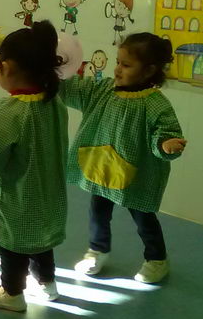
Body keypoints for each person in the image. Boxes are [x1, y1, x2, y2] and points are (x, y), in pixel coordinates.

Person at [61, 33, 186, 284]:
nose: (117, 69)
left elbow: (166, 133)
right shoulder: (103, 89)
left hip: (136, 175)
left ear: (149, 70)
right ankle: (98, 250)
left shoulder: (155, 104)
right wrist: (54, 75)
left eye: (126, 65)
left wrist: (166, 145)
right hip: (102, 169)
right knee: (97, 212)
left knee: (143, 217)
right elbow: (74, 89)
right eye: (118, 62)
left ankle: (157, 259)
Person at [0, 20, 69, 313]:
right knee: (41, 240)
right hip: (48, 194)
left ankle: (12, 292)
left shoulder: (9, 111)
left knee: (13, 245)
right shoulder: (54, 104)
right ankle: (47, 284)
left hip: (18, 196)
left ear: (7, 67)